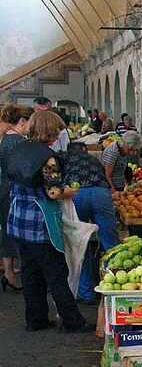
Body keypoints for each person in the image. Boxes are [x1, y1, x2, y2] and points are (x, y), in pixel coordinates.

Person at [5, 110, 86, 332]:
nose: (57, 136)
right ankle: (71, 321)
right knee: (56, 272)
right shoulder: (47, 157)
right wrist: (69, 192)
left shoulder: (17, 149)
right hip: (39, 222)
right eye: (57, 132)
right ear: (50, 132)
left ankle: (36, 319)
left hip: (18, 218)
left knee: (31, 272)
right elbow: (53, 192)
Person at [63, 143, 119, 303]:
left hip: (76, 195)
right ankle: (118, 286)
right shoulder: (93, 160)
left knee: (79, 243)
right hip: (101, 194)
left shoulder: (63, 158)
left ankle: (86, 293)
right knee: (111, 244)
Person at [0, 103, 33, 291]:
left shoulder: (5, 139)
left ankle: (9, 271)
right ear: (23, 121)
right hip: (15, 190)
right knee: (19, 232)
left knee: (6, 230)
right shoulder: (19, 142)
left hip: (4, 188)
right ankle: (16, 273)